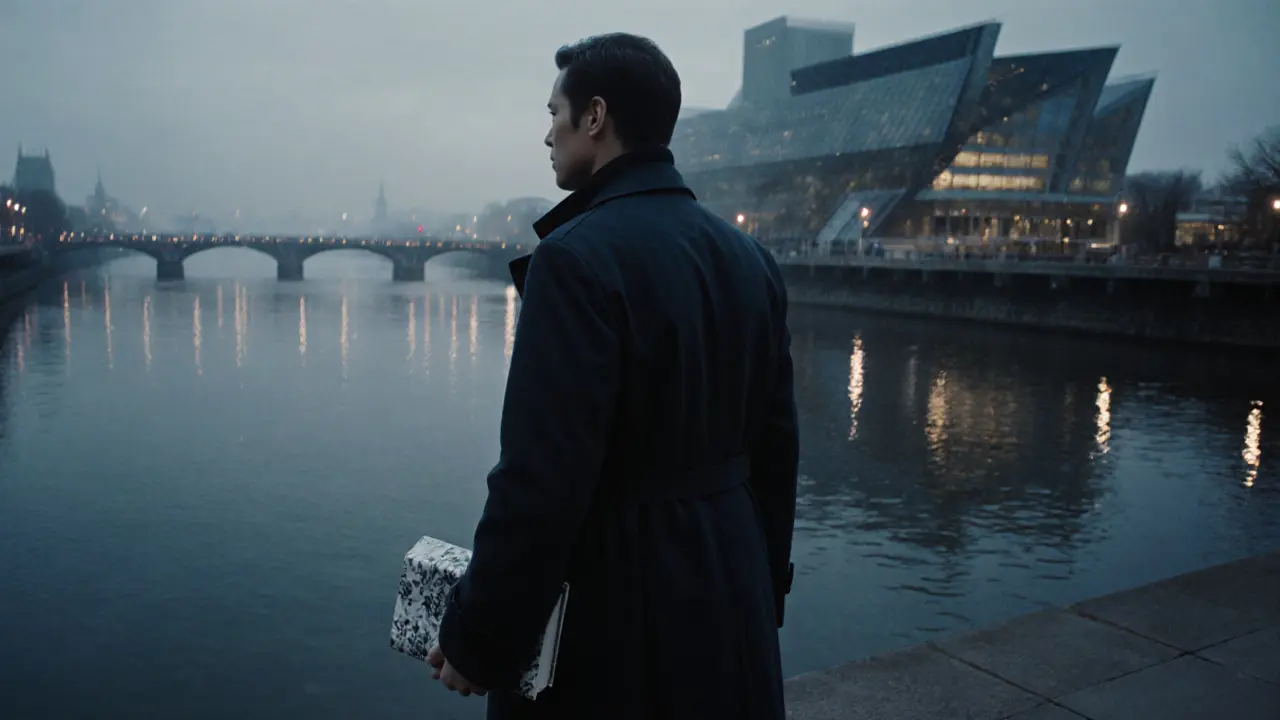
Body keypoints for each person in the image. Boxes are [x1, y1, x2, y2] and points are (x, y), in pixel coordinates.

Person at [427, 32, 799, 719]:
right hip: (729, 591)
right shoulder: (751, 259)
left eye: (553, 114)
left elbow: (540, 482)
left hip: (619, 612)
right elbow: (777, 457)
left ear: (594, 118)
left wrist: (478, 638)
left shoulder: (574, 260)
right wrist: (762, 588)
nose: (546, 135)